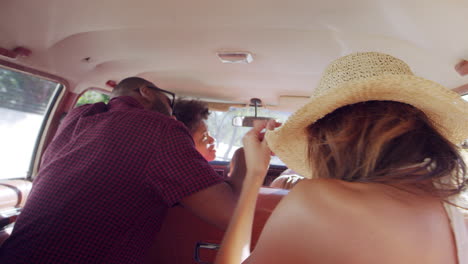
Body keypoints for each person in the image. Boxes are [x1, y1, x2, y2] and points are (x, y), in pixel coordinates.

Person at [215, 52, 468, 264]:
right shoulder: (452, 213)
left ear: (326, 138)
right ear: (421, 131)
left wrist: (254, 176)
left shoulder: (319, 200)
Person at [0, 77, 244, 263]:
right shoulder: (159, 128)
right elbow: (232, 215)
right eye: (169, 101)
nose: (171, 112)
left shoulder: (78, 117)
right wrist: (243, 157)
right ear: (146, 93)